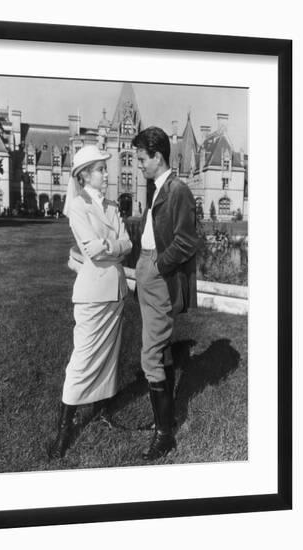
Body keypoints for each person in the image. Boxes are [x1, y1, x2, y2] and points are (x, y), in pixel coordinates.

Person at [49, 145, 132, 459]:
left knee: (109, 359)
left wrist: (112, 245)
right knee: (82, 361)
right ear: (84, 175)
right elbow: (95, 251)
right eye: (99, 168)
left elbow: (128, 242)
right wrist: (115, 246)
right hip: (92, 294)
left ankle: (103, 411)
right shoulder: (78, 207)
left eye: (104, 168)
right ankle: (64, 429)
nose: (105, 173)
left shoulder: (111, 205)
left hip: (115, 291)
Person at [132, 126, 198, 460]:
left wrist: (158, 266)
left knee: (149, 355)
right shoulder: (159, 188)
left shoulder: (178, 190)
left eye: (142, 158)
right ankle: (166, 419)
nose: (139, 164)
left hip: (158, 273)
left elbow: (186, 240)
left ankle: (164, 434)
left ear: (158, 156)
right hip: (147, 270)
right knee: (158, 349)